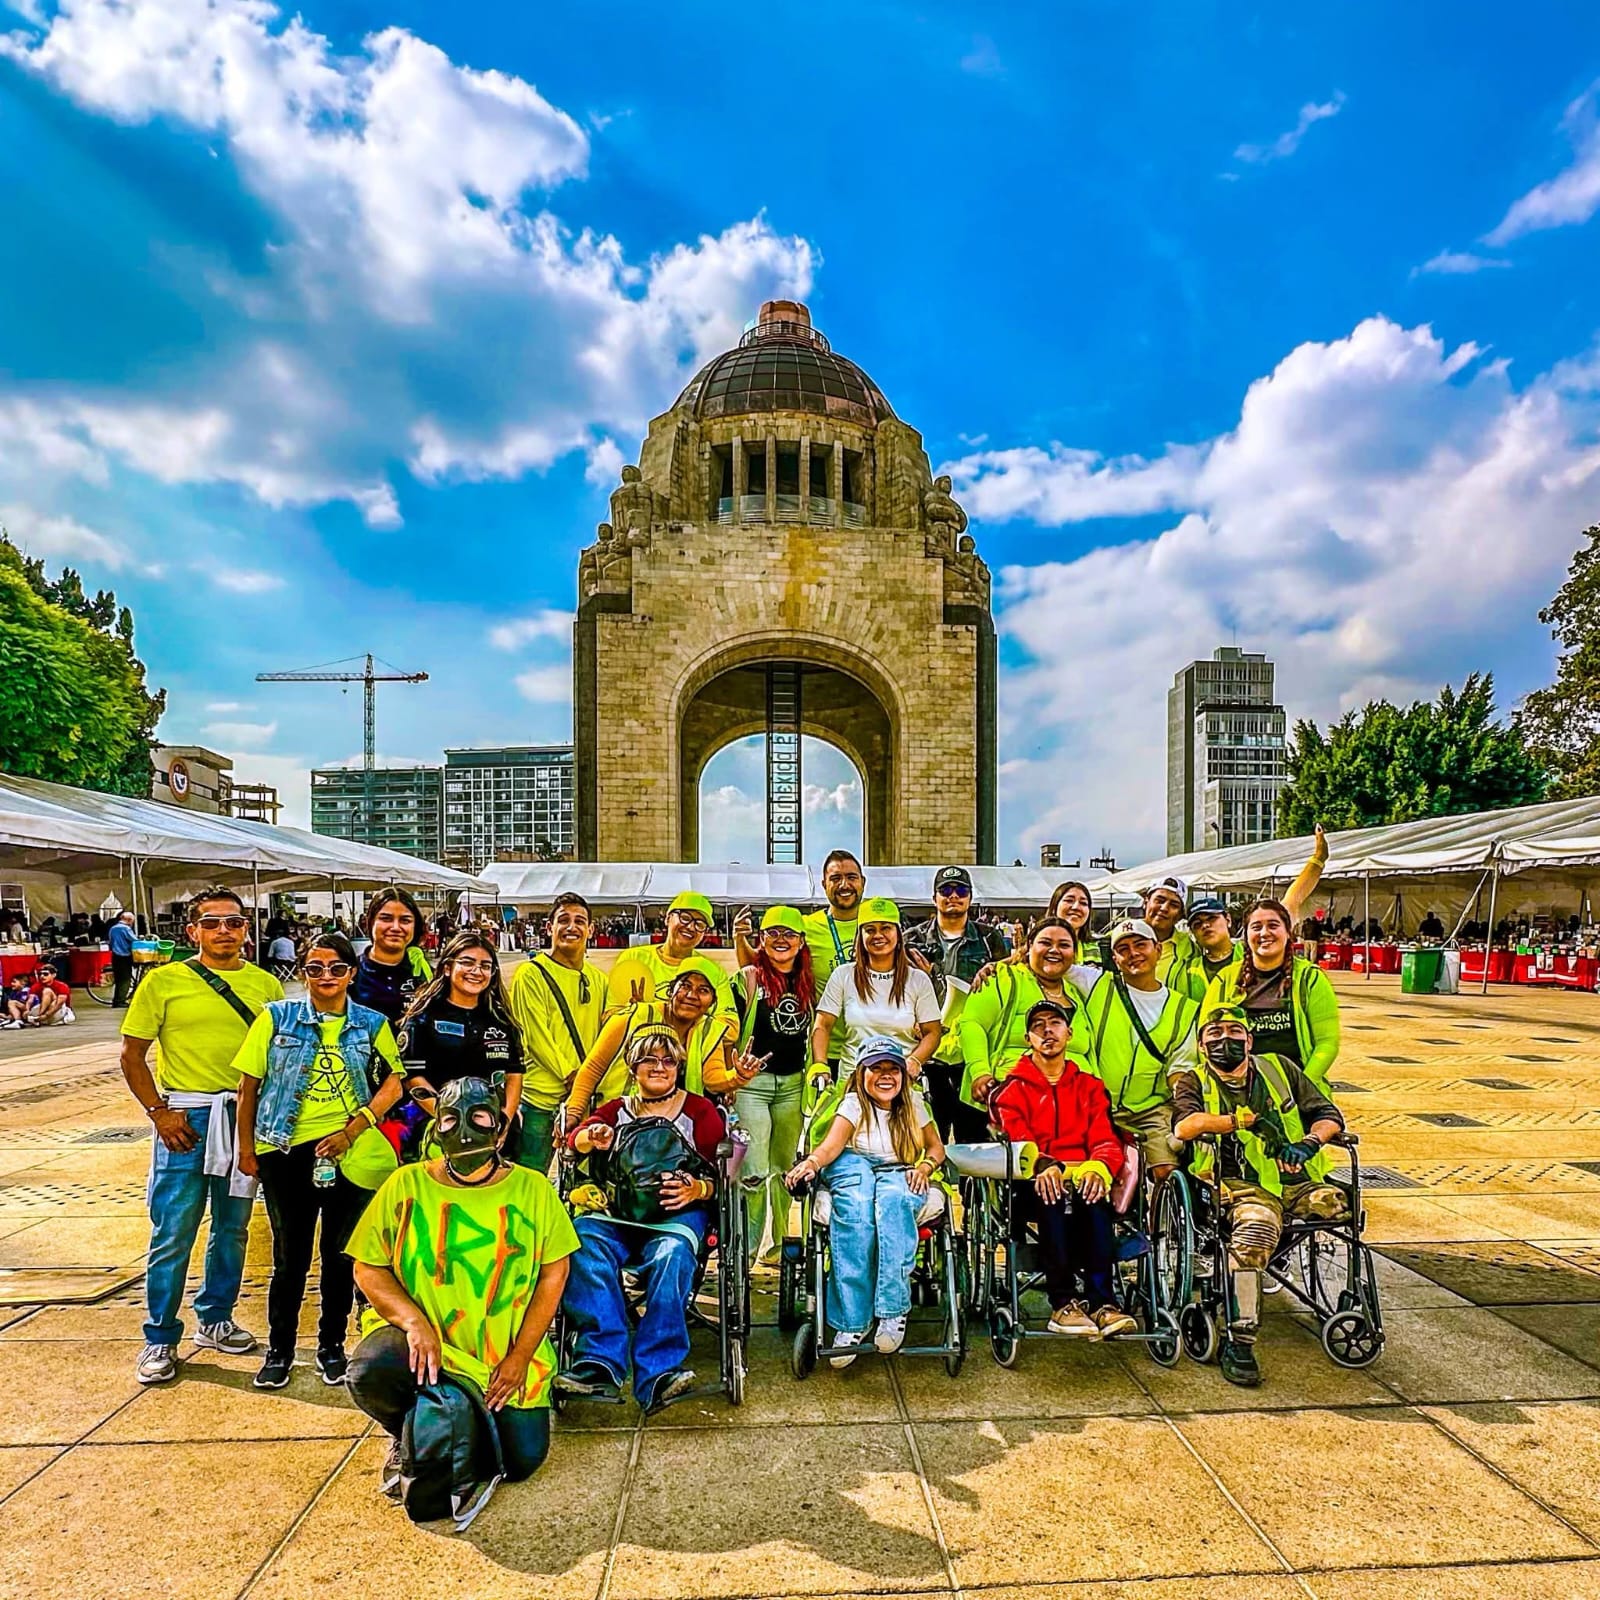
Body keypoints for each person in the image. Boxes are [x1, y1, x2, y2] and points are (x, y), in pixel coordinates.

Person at [348, 1076, 577, 1510]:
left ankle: (443, 1422)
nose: (465, 1132)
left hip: (499, 1354)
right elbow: (368, 1266)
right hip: (426, 1347)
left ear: (501, 1128)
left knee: (521, 1460)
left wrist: (520, 1357)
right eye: (451, 1119)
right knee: (370, 1370)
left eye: (480, 1118)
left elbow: (554, 1274)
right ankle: (411, 1432)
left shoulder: (533, 1188)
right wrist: (413, 1323)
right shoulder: (406, 1184)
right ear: (436, 1126)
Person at [120, 888, 284, 1385]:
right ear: (192, 931)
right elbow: (132, 1055)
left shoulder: (266, 985)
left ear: (246, 929)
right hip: (186, 1120)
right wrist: (159, 1112)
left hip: (242, 1117)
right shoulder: (163, 982)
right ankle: (159, 1335)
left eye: (233, 922)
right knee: (173, 1230)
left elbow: (278, 1054)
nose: (223, 931)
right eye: (211, 923)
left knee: (232, 1227)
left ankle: (215, 1317)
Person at [234, 933, 405, 1388]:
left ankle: (332, 1346)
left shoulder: (371, 1024)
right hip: (285, 1150)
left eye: (336, 968)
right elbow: (248, 1087)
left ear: (351, 973)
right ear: (303, 972)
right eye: (315, 968)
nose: (326, 976)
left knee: (339, 1255)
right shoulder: (276, 1018)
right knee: (289, 1258)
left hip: (349, 1151)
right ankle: (280, 1350)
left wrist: (355, 1128)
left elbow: (394, 1084)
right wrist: (246, 1148)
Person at [1172, 1004, 1346, 1386]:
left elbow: (1328, 1114)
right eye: (1214, 1034)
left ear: (1249, 1040)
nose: (1225, 1040)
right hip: (1239, 1187)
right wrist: (1236, 1122)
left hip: (1296, 1181)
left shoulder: (1280, 1068)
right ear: (1201, 1046)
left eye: (1234, 1032)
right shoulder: (1193, 1081)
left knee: (1338, 1205)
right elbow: (1185, 1127)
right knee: (1258, 1228)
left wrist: (1310, 1142)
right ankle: (1241, 1339)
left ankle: (1351, 1302)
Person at [557, 1027, 726, 1410]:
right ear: (633, 1067)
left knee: (673, 1255)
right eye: (649, 1059)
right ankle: (598, 1362)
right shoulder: (615, 1111)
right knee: (580, 1239)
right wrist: (590, 1137)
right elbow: (573, 1143)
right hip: (618, 1216)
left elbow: (725, 1177)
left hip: (675, 1217)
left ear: (679, 1067)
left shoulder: (700, 1112)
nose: (659, 1067)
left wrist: (699, 1189)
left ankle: (659, 1371)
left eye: (668, 1060)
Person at [784, 1041, 945, 1363]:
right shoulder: (854, 1103)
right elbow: (831, 1146)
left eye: (893, 1069)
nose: (885, 1076)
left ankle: (892, 1309)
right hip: (853, 1163)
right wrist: (812, 1163)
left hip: (898, 1167)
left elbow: (936, 1148)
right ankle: (852, 1322)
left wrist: (925, 1167)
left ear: (903, 1074)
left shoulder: (913, 1102)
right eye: (876, 1068)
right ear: (861, 1074)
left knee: (895, 1204)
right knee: (856, 1212)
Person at [991, 999, 1134, 1338]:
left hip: (1082, 1177)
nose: (1047, 1031)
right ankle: (1063, 1303)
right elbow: (1017, 1138)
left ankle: (1103, 1304)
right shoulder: (1010, 1090)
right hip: (1031, 1182)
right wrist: (1044, 1164)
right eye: (1038, 1026)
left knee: (1094, 1194)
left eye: (1054, 1023)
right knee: (1050, 1193)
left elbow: (1105, 1138)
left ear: (1069, 1033)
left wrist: (1099, 1168)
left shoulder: (1090, 1087)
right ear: (1028, 1039)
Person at [1080, 918, 1199, 1178]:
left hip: (1150, 1109)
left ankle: (1158, 1205)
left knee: (1166, 1171)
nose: (1133, 953)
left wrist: (1186, 1111)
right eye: (1123, 949)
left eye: (1140, 945)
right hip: (1095, 1106)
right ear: (1114, 958)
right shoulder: (1095, 983)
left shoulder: (1184, 1009)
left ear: (1158, 949)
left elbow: (1180, 1068)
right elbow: (1052, 962)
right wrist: (1001, 964)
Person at [958, 917, 1099, 1135]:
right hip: (1011, 1108)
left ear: (1074, 953)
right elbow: (972, 1023)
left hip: (1075, 1112)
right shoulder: (1002, 978)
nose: (1054, 950)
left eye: (1064, 945)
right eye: (1045, 943)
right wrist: (980, 1073)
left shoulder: (1077, 994)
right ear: (1029, 945)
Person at [732, 906, 816, 1264]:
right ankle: (747, 1252)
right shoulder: (748, 979)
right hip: (753, 1085)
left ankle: (781, 1245)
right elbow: (729, 1026)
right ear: (761, 939)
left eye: (789, 934)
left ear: (802, 941)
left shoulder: (810, 982)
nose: (781, 940)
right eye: (772, 933)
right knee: (753, 1171)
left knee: (785, 1169)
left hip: (793, 1083)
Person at [903, 866, 1011, 1143]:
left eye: (961, 890)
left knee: (973, 1140)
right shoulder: (912, 939)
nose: (953, 896)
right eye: (946, 890)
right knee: (926, 1139)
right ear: (934, 897)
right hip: (926, 1052)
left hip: (970, 1053)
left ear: (970, 897)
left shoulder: (989, 938)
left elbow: (1004, 988)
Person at [566, 961, 751, 1120]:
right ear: (671, 990)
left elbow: (713, 1078)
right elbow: (593, 1068)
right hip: (618, 1120)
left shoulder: (709, 1030)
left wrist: (737, 1076)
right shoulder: (633, 1016)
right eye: (685, 986)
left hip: (676, 1129)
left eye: (703, 990)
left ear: (712, 1002)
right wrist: (573, 1113)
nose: (691, 995)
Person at [507, 892, 608, 1174]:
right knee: (529, 1177)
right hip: (540, 1099)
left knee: (581, 1182)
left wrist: (585, 1086)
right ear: (549, 928)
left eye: (580, 921)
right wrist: (573, 1076)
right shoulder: (531, 974)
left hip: (583, 1100)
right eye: (563, 920)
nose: (571, 927)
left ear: (591, 930)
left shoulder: (599, 980)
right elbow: (535, 1038)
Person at [395, 931, 525, 1152]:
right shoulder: (423, 1018)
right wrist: (453, 1122)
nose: (477, 971)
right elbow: (412, 1078)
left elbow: (514, 1075)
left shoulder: (501, 1019)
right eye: (467, 962)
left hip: (493, 1132)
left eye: (485, 966)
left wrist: (504, 1121)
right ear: (447, 968)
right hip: (441, 1130)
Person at [1201, 898, 1341, 1091]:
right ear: (1246, 935)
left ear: (1288, 932)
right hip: (1238, 1089)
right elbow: (1205, 1038)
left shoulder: (1310, 978)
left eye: (1273, 925)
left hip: (1297, 1088)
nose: (1264, 933)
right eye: (1256, 927)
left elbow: (1327, 1043)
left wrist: (1300, 1087)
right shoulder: (1225, 980)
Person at [811, 897, 942, 1078]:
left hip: (900, 1081)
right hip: (852, 1080)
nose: (878, 935)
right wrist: (820, 1064)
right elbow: (823, 1024)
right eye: (870, 930)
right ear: (860, 936)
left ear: (898, 933)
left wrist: (915, 1060)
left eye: (886, 928)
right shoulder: (843, 975)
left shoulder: (918, 980)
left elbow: (933, 1032)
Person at [606, 891, 735, 1025]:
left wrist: (648, 1014)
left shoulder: (713, 972)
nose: (691, 927)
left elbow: (730, 1025)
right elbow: (610, 1015)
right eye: (685, 917)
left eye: (700, 924)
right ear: (668, 918)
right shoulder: (634, 959)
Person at [351, 887, 433, 1026]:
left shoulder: (426, 974)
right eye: (386, 919)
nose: (395, 927)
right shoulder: (350, 974)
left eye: (405, 920)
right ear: (370, 922)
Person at [1186, 899, 1244, 992]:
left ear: (1228, 920)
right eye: (1197, 924)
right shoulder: (1187, 971)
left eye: (1212, 918)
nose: (1205, 925)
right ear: (1192, 933)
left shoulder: (1250, 956)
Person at [108, 908, 137, 1007]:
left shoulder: (113, 928)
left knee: (118, 979)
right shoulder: (126, 929)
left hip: (115, 956)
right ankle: (120, 1001)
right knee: (125, 980)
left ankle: (116, 1000)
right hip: (124, 955)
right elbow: (134, 940)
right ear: (129, 920)